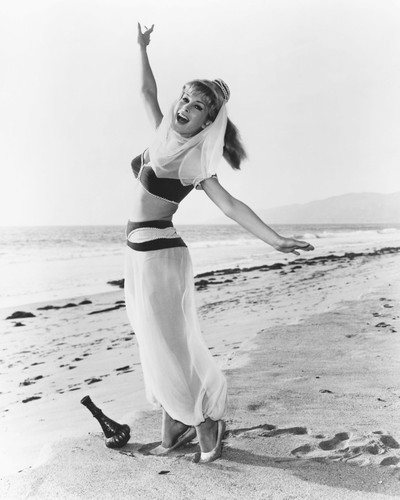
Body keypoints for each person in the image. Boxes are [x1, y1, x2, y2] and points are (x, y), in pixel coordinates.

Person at [124, 23, 314, 464]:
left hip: (159, 256)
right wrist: (142, 47)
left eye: (199, 106)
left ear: (208, 122)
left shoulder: (193, 159)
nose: (186, 107)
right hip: (138, 255)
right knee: (155, 343)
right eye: (186, 98)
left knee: (171, 345)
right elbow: (147, 93)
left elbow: (229, 205)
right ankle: (176, 420)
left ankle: (205, 422)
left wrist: (275, 239)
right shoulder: (162, 135)